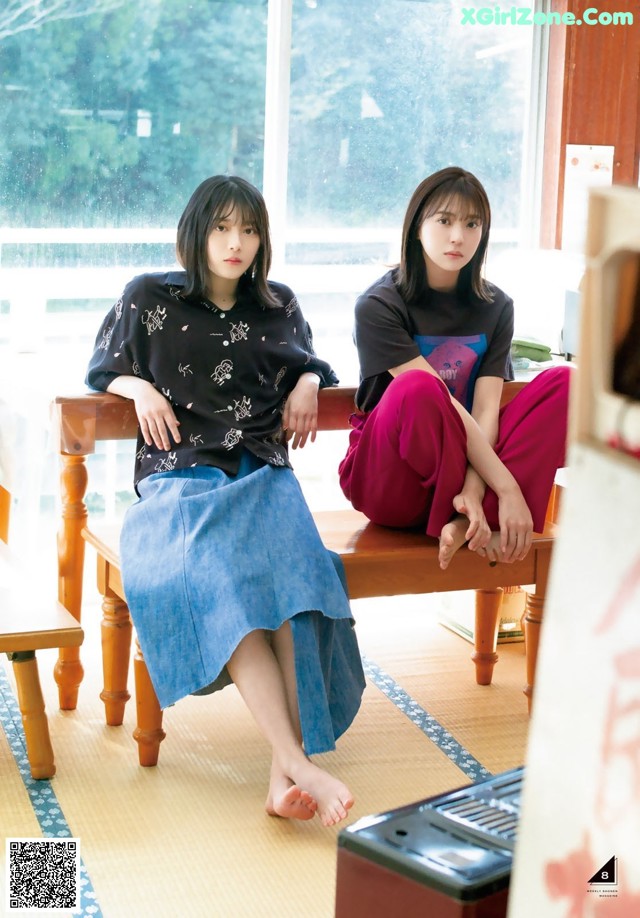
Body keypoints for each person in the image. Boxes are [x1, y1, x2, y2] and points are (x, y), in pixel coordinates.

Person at [86, 175, 365, 827]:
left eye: (248, 229)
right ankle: (298, 762)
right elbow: (102, 368)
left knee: (303, 585)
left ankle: (280, 779)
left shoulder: (279, 305)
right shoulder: (148, 298)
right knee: (224, 583)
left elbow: (312, 362)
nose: (236, 243)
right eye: (222, 228)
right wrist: (139, 389)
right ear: (197, 232)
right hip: (182, 481)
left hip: (261, 474)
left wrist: (302, 379)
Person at [339, 166, 571, 569]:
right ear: (416, 226)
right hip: (393, 480)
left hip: (465, 476)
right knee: (419, 389)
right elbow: (442, 402)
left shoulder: (496, 306)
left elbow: (484, 410)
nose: (458, 236)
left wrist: (475, 486)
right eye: (444, 221)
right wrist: (507, 487)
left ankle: (466, 519)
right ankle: (475, 513)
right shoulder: (378, 306)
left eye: (471, 223)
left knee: (565, 383)